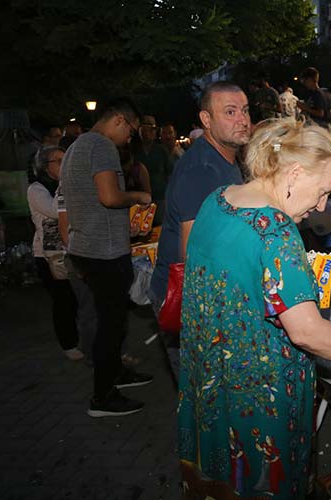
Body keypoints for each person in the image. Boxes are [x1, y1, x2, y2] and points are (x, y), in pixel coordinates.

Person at [177, 118, 331, 499]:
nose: (321, 205)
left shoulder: (219, 199)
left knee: (223, 478)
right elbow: (306, 331)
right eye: (323, 190)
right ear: (294, 173)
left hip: (212, 374)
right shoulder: (275, 230)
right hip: (258, 393)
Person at [60, 97, 153, 417]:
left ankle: (117, 375)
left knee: (111, 320)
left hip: (85, 247)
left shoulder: (75, 146)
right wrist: (138, 196)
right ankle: (103, 398)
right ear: (118, 121)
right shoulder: (101, 147)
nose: (131, 138)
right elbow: (109, 197)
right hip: (103, 252)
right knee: (109, 326)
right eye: (132, 131)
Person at [150, 82, 252, 314]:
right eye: (230, 112)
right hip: (187, 301)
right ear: (206, 120)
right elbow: (195, 256)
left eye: (245, 110)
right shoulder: (201, 169)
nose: (243, 120)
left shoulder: (223, 157)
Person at [27, 145, 82, 361]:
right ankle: (68, 343)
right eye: (58, 161)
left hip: (71, 247)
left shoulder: (64, 185)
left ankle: (79, 337)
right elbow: (54, 211)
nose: (64, 164)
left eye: (65, 158)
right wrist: (65, 185)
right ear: (44, 167)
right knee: (63, 299)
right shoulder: (37, 189)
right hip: (49, 255)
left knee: (75, 297)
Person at [136, 115, 174, 222]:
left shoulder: (161, 150)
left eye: (154, 130)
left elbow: (170, 173)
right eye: (148, 130)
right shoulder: (134, 151)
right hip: (140, 199)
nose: (152, 133)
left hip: (160, 198)